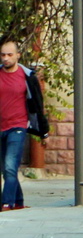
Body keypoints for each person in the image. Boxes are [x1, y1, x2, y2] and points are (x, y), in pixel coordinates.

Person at [0, 39, 49, 211]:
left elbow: (38, 103)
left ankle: (6, 203)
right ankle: (19, 202)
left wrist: (43, 130)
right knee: (6, 169)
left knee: (10, 165)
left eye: (9, 55)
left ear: (18, 56)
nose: (6, 58)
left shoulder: (27, 76)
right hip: (1, 127)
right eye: (3, 55)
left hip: (18, 126)